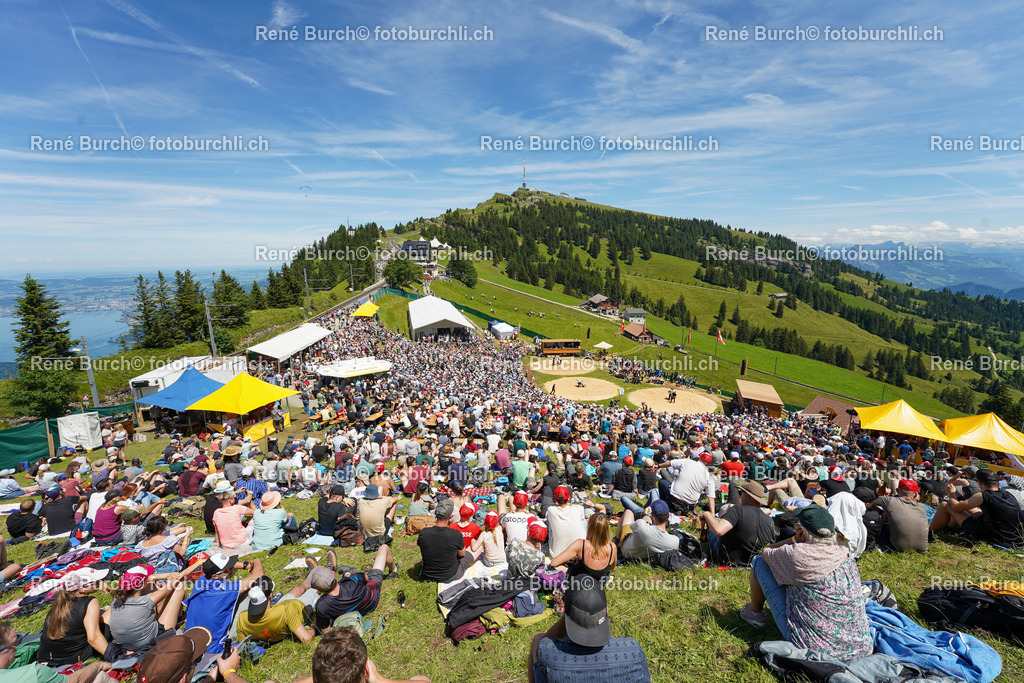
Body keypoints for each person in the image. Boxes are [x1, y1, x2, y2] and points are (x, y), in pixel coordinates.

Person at [741, 504, 873, 661]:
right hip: (861, 647)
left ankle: (755, 613)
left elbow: (765, 552)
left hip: (814, 649)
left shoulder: (795, 554)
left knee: (758, 562)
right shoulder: (845, 554)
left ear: (802, 532)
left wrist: (794, 539)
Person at [529, 584, 650, 683]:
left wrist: (568, 615)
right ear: (606, 610)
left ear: (566, 612)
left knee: (538, 638)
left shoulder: (547, 653)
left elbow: (543, 641)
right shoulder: (633, 651)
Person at [183, 555, 264, 655]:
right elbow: (259, 575)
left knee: (241, 589)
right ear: (215, 576)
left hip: (191, 641)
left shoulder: (202, 580)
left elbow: (227, 570)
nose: (231, 570)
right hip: (214, 645)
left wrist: (245, 565)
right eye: (228, 569)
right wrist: (256, 560)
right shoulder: (225, 589)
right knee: (253, 588)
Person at [289, 625, 430, 683]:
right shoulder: (370, 675)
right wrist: (378, 679)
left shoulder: (319, 677)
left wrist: (322, 675)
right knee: (421, 677)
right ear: (366, 670)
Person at [930, 468, 1024, 547]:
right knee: (975, 510)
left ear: (980, 483)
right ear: (998, 483)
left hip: (995, 539)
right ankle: (948, 529)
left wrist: (952, 493)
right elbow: (965, 504)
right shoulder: (1007, 494)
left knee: (945, 505)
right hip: (1014, 539)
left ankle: (930, 533)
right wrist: (957, 495)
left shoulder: (983, 495)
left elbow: (956, 507)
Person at [309, 545, 397, 630]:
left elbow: (325, 629)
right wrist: (349, 577)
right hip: (371, 600)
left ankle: (347, 573)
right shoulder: (352, 581)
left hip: (354, 612)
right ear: (334, 574)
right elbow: (366, 578)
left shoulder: (323, 605)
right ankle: (394, 570)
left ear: (319, 591)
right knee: (383, 548)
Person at [108, 566, 189, 655]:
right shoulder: (147, 600)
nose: (149, 578)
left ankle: (173, 616)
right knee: (180, 584)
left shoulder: (116, 601)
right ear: (140, 585)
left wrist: (155, 577)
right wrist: (200, 562)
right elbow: (176, 580)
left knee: (150, 586)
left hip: (124, 645)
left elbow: (149, 579)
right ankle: (179, 617)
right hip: (148, 643)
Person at [37, 569, 111, 666]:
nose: (99, 582)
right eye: (96, 581)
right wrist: (114, 656)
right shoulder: (90, 602)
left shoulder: (61, 600)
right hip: (71, 659)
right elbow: (93, 638)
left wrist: (98, 584)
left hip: (45, 657)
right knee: (114, 611)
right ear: (82, 588)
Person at [0, 620, 114, 683]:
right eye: (16, 641)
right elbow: (75, 681)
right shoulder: (34, 673)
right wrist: (97, 665)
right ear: (4, 649)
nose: (18, 647)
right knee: (100, 677)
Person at [700, 481, 777, 565]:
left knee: (712, 530)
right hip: (751, 562)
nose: (740, 496)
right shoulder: (770, 521)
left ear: (748, 496)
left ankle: (703, 539)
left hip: (725, 559)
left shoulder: (738, 510)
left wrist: (707, 514)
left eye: (741, 493)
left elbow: (718, 530)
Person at [236, 576, 316, 644]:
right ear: (271, 595)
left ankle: (311, 576)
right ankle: (318, 575)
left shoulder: (242, 618)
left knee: (297, 587)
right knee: (313, 590)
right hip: (300, 607)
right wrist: (315, 625)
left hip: (280, 606)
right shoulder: (286, 610)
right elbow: (306, 639)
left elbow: (244, 646)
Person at [550, 514, 616, 585]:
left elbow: (554, 563)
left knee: (557, 568)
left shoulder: (581, 544)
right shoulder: (612, 547)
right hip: (598, 585)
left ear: (589, 528)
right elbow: (611, 568)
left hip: (577, 583)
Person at [867, 479, 929, 553]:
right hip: (921, 550)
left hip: (897, 549)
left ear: (897, 490)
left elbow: (868, 502)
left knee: (882, 524)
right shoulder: (922, 507)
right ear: (915, 495)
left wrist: (880, 511)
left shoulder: (889, 501)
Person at [416, 499, 471, 582]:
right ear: (450, 516)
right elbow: (461, 554)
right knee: (474, 550)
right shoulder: (455, 534)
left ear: (435, 513)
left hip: (427, 574)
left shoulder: (423, 533)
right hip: (450, 575)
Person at [212, 482, 255, 552]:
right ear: (230, 500)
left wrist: (218, 543)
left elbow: (217, 531)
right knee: (253, 519)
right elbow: (255, 512)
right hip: (242, 542)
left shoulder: (216, 512)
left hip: (225, 545)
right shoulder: (236, 508)